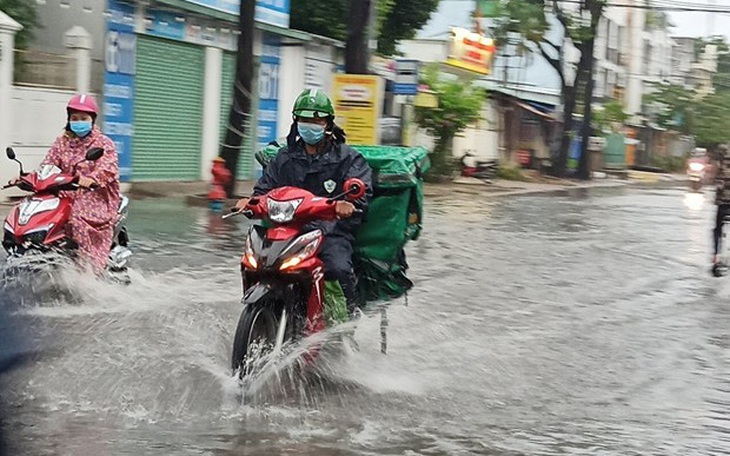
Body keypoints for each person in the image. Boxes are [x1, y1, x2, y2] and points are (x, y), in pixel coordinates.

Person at [235, 88, 373, 311]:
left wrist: (348, 205)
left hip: (330, 231)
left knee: (336, 268)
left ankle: (342, 323)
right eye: (305, 119)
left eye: (316, 120)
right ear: (296, 121)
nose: (310, 125)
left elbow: (361, 193)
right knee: (255, 264)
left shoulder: (348, 158)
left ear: (328, 124)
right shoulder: (284, 157)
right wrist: (249, 202)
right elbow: (263, 190)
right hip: (288, 230)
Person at [8, 94, 121, 274]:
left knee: (75, 218)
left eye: (84, 118)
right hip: (64, 193)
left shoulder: (103, 143)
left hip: (94, 196)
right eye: (74, 118)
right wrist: (26, 178)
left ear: (92, 119)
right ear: (69, 119)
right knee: (29, 211)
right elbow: (48, 166)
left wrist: (91, 179)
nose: (79, 122)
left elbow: (107, 168)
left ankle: (89, 267)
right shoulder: (62, 142)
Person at [713, 144, 730, 266]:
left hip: (723, 199)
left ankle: (715, 254)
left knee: (718, 228)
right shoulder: (723, 151)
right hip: (723, 198)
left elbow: (717, 175)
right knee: (718, 228)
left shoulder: (722, 151)